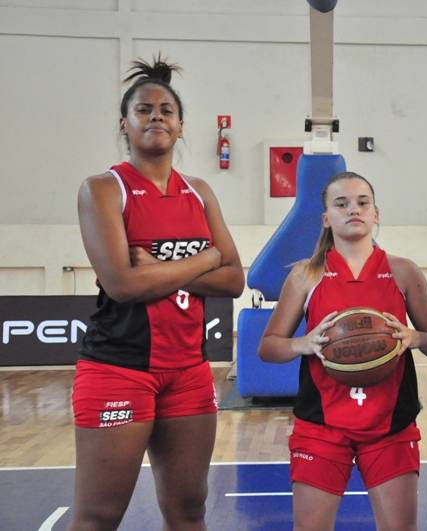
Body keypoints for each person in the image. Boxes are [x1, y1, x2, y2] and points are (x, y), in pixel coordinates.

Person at [70, 56, 244, 530]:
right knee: (98, 516)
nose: (156, 117)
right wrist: (206, 259)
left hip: (188, 370)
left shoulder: (199, 191)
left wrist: (161, 268)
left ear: (181, 126)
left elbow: (234, 279)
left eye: (167, 110)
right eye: (143, 110)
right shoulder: (104, 190)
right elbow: (123, 285)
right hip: (119, 368)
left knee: (189, 512)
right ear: (123, 124)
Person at [258, 171, 427, 531]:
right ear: (325, 218)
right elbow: (268, 347)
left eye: (363, 203)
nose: (354, 210)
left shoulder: (403, 271)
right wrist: (304, 343)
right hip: (321, 424)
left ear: (376, 213)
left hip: (390, 423)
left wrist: (415, 338)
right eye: (341, 204)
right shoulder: (305, 275)